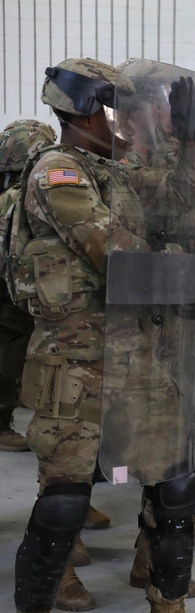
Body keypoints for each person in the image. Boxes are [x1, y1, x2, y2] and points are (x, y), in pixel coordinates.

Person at [6, 57, 195, 613]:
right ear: (84, 110)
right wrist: (172, 253)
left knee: (174, 483)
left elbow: (187, 208)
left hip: (137, 355)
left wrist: (188, 145)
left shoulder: (117, 169)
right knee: (66, 499)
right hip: (75, 365)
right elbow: (118, 254)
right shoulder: (58, 173)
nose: (125, 119)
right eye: (116, 107)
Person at [0, 120, 56, 452]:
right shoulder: (20, 194)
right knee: (9, 349)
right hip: (13, 291)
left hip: (11, 285)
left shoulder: (9, 191)